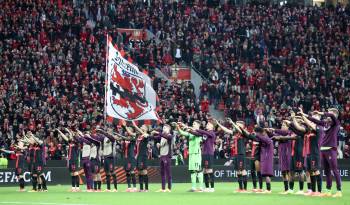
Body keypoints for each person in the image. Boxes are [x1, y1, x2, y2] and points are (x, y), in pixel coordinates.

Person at [305, 108, 342, 197]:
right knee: (327, 171)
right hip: (323, 149)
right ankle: (328, 190)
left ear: (335, 114)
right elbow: (314, 120)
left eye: (330, 112)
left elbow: (331, 116)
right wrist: (304, 115)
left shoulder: (336, 123)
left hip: (331, 149)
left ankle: (339, 191)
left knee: (334, 170)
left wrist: (321, 113)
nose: (329, 114)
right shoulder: (326, 124)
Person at [235, 124, 274, 194]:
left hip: (260, 156)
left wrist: (254, 134)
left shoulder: (263, 138)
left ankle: (261, 188)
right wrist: (242, 130)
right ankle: (255, 187)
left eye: (255, 132)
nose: (254, 133)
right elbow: (248, 135)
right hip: (253, 156)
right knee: (253, 172)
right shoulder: (257, 137)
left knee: (259, 173)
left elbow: (251, 135)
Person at [217, 119, 249, 193]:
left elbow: (239, 130)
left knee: (243, 170)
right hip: (236, 154)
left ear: (242, 126)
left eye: (238, 124)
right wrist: (218, 124)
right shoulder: (235, 133)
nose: (236, 126)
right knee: (238, 171)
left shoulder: (243, 133)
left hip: (241, 154)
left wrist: (232, 122)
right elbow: (227, 130)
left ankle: (245, 189)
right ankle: (240, 188)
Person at [299, 110, 324, 196]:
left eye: (315, 117)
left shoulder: (319, 127)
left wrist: (303, 115)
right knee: (312, 172)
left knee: (316, 171)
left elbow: (310, 123)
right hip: (310, 153)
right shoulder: (312, 129)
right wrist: (303, 117)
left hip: (315, 153)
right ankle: (313, 191)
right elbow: (309, 123)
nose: (314, 119)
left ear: (319, 119)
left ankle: (320, 191)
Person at [266, 121, 292, 194]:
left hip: (287, 154)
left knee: (288, 171)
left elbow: (281, 135)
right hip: (281, 154)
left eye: (284, 125)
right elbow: (273, 136)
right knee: (283, 172)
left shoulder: (289, 132)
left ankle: (290, 188)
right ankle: (286, 189)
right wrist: (268, 132)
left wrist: (274, 129)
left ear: (288, 127)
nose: (282, 126)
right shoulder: (280, 133)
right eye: (282, 125)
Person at [177, 121, 204, 192]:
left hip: (196, 153)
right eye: (193, 124)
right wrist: (178, 127)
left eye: (194, 124)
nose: (193, 124)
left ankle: (201, 187)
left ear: (198, 125)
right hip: (191, 153)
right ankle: (193, 187)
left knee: (198, 170)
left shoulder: (199, 132)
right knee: (192, 170)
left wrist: (186, 127)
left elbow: (194, 133)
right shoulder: (191, 132)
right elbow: (182, 133)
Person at [191, 120, 216, 192]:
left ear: (212, 126)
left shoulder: (212, 133)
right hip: (204, 154)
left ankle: (212, 188)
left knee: (209, 170)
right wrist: (189, 130)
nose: (207, 125)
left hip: (209, 154)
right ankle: (207, 187)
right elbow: (197, 134)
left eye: (208, 124)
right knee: (204, 171)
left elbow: (203, 132)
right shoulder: (205, 134)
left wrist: (197, 129)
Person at [151, 124, 173, 192]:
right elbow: (154, 138)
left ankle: (169, 188)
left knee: (168, 172)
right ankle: (163, 188)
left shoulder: (170, 135)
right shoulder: (162, 137)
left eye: (165, 128)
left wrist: (157, 132)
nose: (163, 129)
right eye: (163, 128)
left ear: (169, 129)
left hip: (167, 156)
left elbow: (168, 138)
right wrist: (151, 135)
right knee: (162, 172)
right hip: (162, 155)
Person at [132, 122, 151, 192]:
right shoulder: (138, 136)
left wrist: (135, 126)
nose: (141, 127)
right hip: (138, 156)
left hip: (143, 156)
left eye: (143, 126)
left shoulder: (146, 135)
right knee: (139, 172)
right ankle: (141, 188)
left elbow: (144, 134)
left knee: (144, 172)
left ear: (146, 129)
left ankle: (146, 188)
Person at [121, 122, 137, 192]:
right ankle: (129, 187)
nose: (128, 131)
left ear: (132, 131)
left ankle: (134, 187)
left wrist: (125, 127)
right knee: (127, 172)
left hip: (131, 157)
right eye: (127, 129)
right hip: (125, 157)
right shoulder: (125, 138)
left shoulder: (134, 137)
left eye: (129, 129)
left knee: (132, 172)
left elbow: (129, 138)